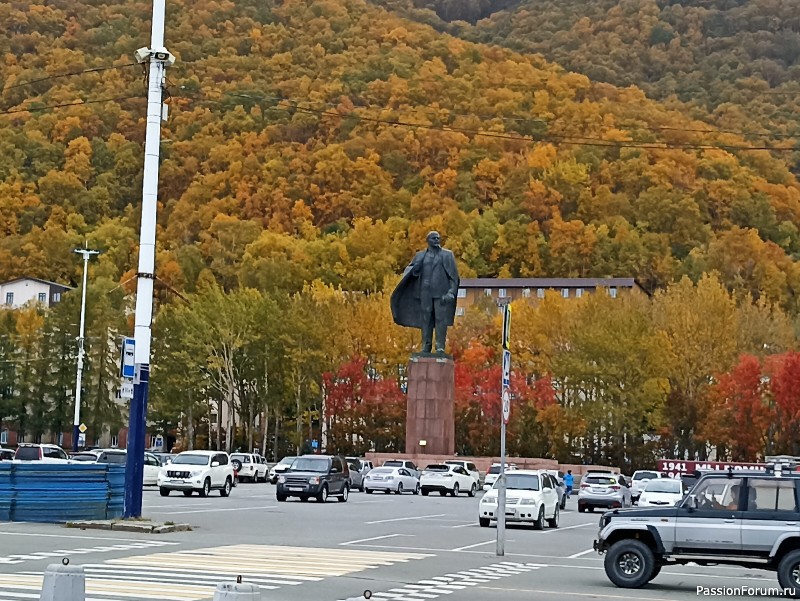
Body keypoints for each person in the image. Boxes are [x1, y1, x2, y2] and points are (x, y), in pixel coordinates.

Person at [391, 231, 460, 354]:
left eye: (438, 237)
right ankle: (426, 346)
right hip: (424, 293)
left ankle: (440, 347)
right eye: (434, 238)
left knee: (440, 319)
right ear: (428, 240)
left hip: (441, 293)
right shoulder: (420, 256)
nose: (437, 239)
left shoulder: (447, 255)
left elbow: (454, 277)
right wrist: (414, 270)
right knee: (426, 319)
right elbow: (409, 271)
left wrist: (451, 292)